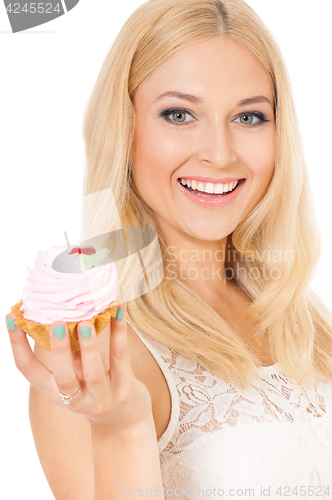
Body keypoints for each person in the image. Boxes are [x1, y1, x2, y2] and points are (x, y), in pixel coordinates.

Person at [6, 0, 332, 498]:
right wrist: (123, 430)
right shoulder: (85, 355)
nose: (220, 153)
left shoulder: (304, 318)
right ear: (125, 131)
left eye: (249, 117)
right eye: (178, 114)